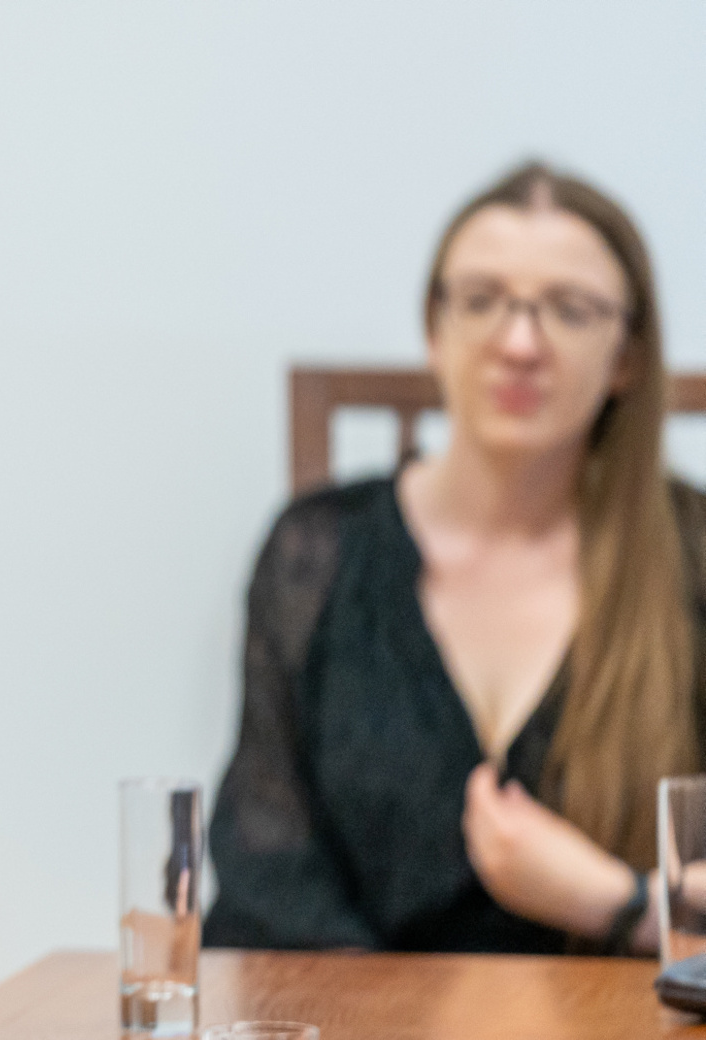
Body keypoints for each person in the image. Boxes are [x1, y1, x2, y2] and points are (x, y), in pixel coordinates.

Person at [204, 162, 706, 956]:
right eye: (481, 299)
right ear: (434, 333)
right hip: (357, 1032)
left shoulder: (693, 554)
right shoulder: (316, 552)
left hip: (630, 1030)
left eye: (569, 309)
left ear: (627, 357)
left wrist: (619, 901)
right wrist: (408, 1026)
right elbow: (266, 881)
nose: (519, 343)